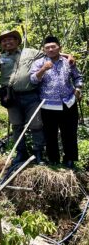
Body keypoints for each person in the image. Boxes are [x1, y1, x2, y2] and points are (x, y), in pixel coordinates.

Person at [0, 29, 46, 166]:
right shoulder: (0, 57)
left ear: (17, 41)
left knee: (36, 125)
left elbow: (50, 53)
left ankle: (38, 153)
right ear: (1, 44)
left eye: (10, 39)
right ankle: (21, 153)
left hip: (31, 95)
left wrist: (67, 56)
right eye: (4, 41)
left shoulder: (30, 52)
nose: (7, 42)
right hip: (11, 97)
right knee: (17, 125)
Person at [29, 36, 84, 169]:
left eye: (53, 46)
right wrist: (43, 70)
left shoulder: (68, 61)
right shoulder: (39, 63)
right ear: (44, 49)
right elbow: (32, 80)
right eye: (47, 47)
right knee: (50, 133)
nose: (51, 49)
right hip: (48, 105)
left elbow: (78, 77)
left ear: (59, 47)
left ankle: (70, 159)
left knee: (69, 133)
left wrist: (78, 89)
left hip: (68, 102)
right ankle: (53, 160)